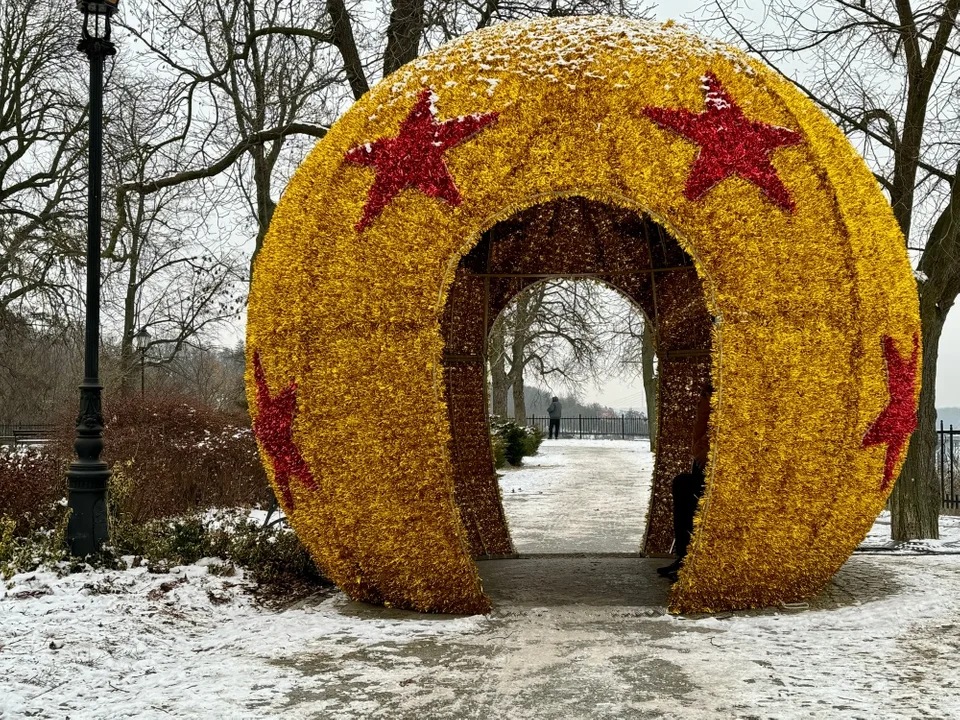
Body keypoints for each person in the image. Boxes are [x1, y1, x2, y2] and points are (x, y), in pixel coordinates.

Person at [658, 381, 712, 582]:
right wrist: (706, 402)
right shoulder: (711, 399)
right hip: (705, 463)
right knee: (681, 484)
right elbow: (698, 435)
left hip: (724, 470)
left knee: (688, 489)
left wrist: (708, 452)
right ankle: (684, 555)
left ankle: (692, 557)